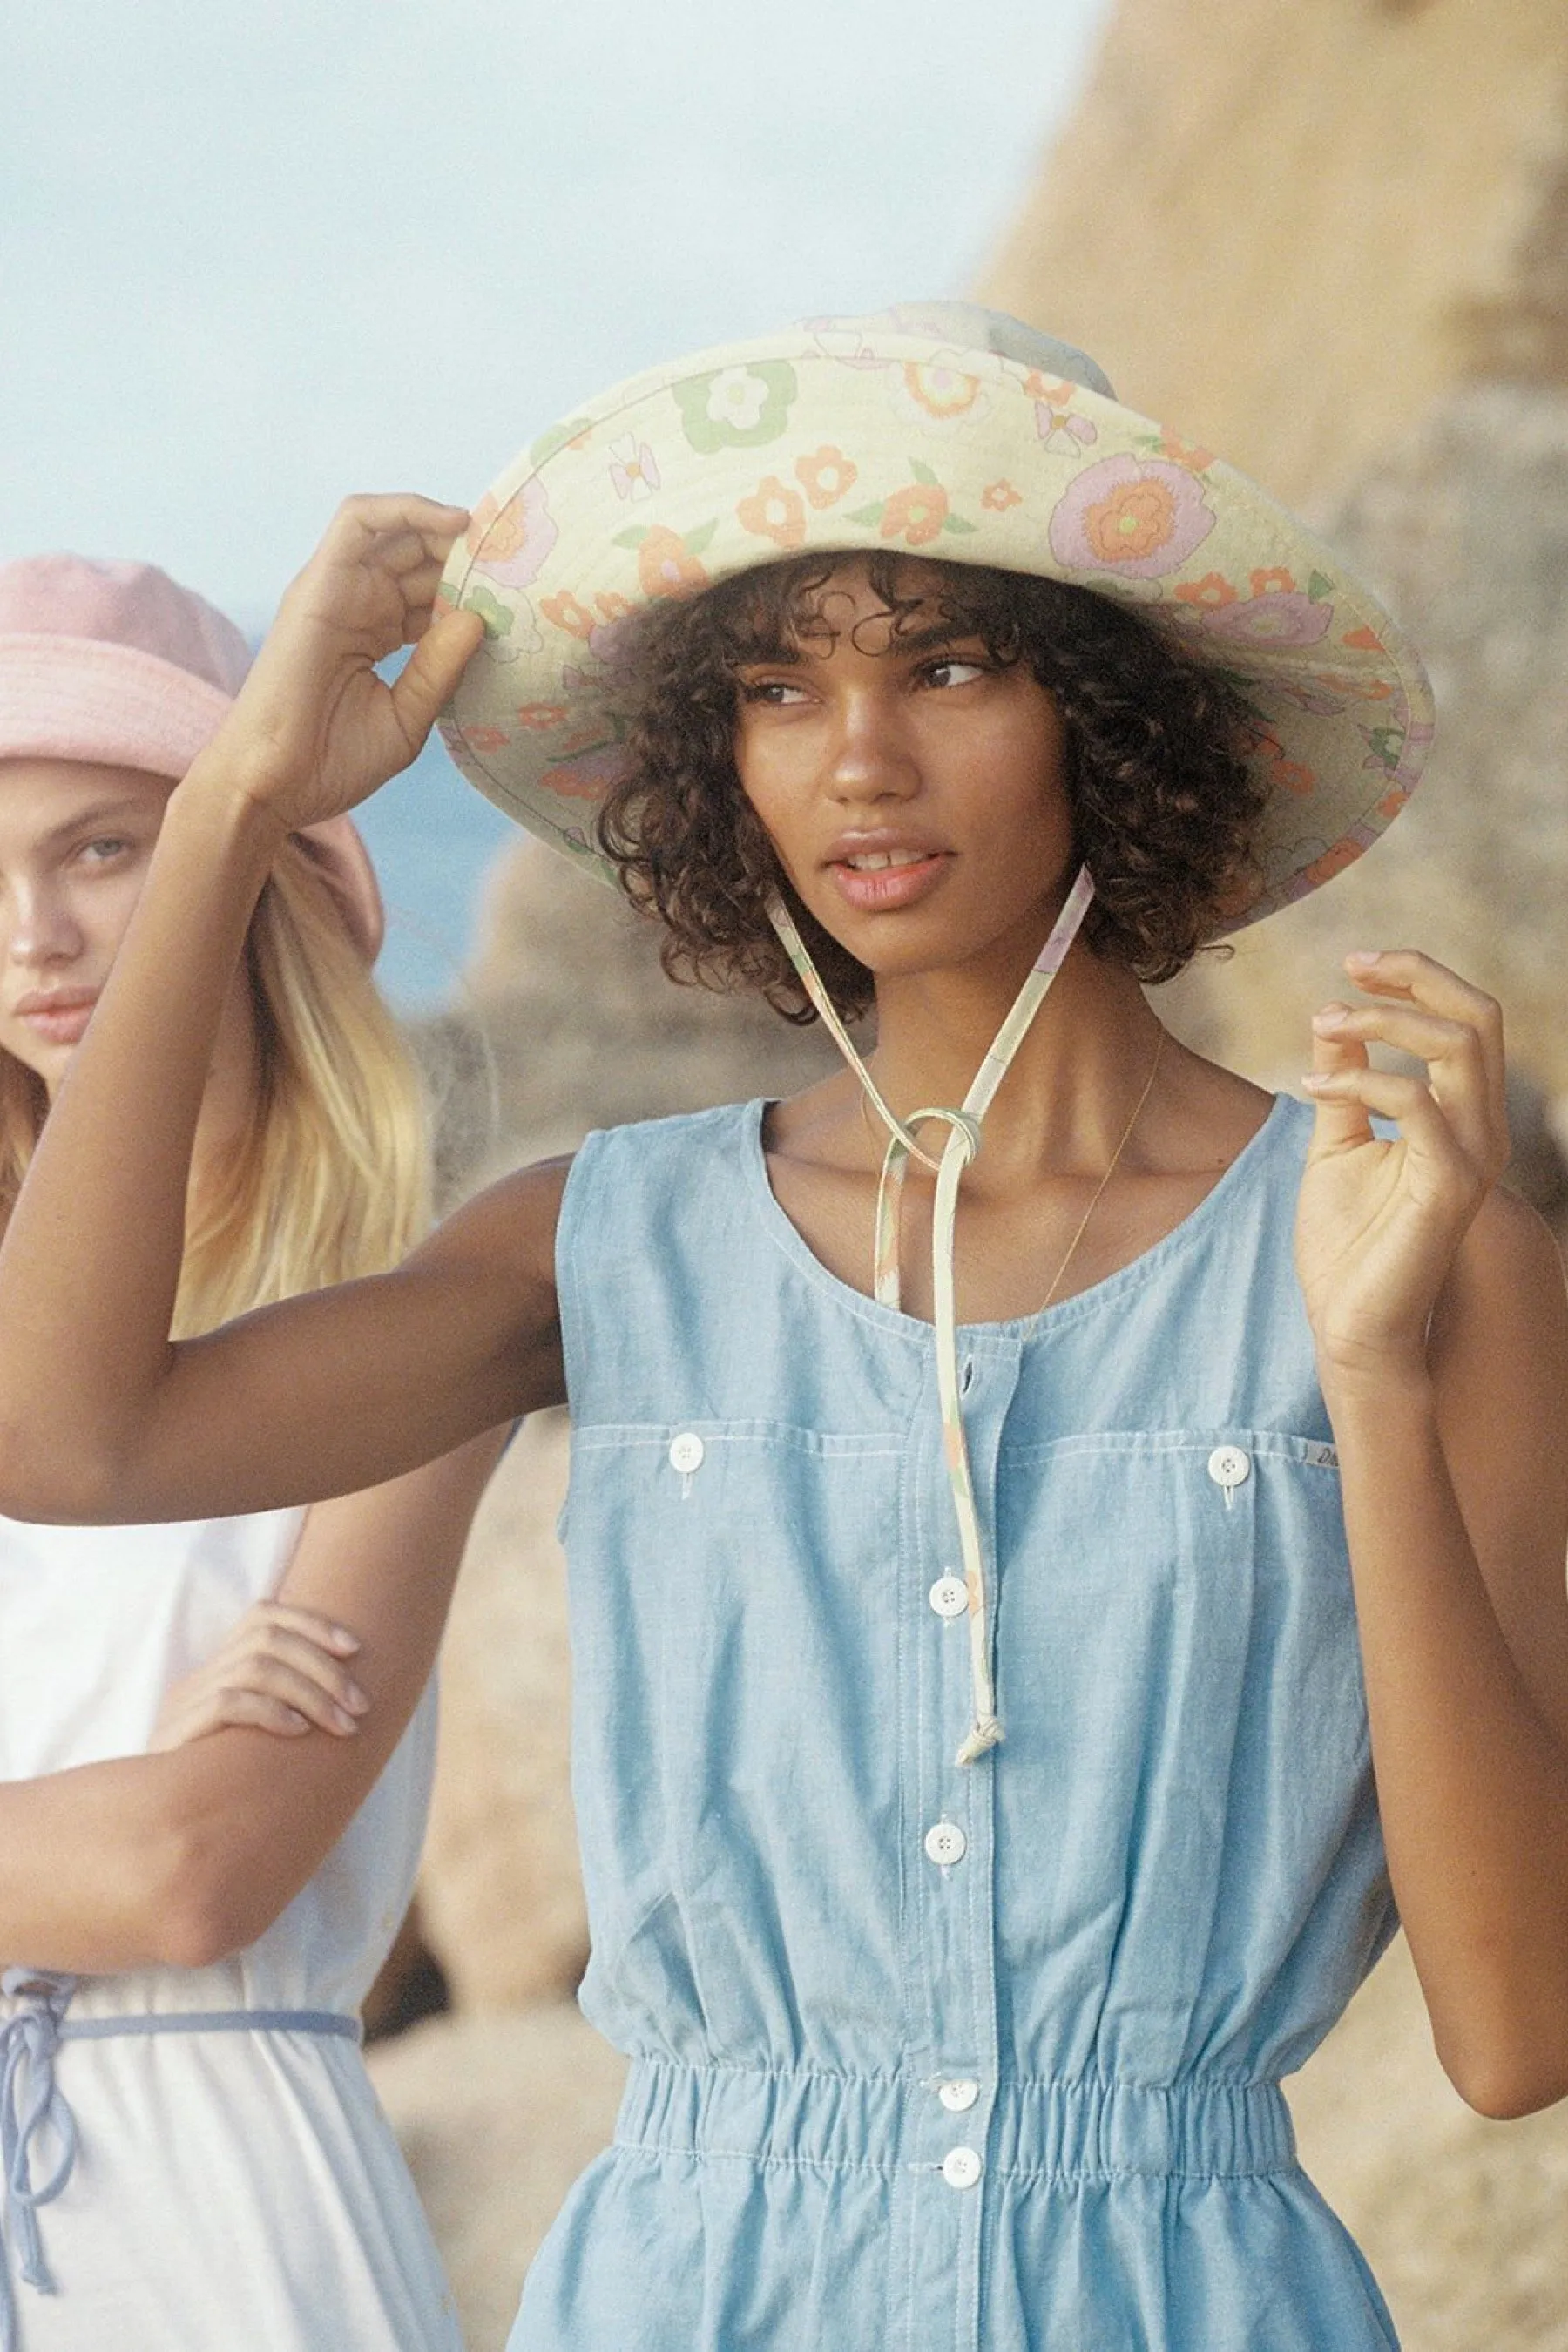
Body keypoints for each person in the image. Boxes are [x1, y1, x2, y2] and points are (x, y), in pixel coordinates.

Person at [0, 303, 1565, 2350]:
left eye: (950, 662)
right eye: (776, 685)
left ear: (1112, 712)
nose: (860, 760)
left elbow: (1518, 2026)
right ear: (711, 757)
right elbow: (67, 1437)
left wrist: (1356, 1367)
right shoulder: (599, 1242)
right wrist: (231, 809)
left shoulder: (1414, 1253)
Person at [0, 554, 500, 2350]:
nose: (31, 938)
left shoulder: (405, 1316)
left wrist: (113, 1838)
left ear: (251, 860)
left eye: (104, 846)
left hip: (222, 2205)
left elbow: (189, 1874)